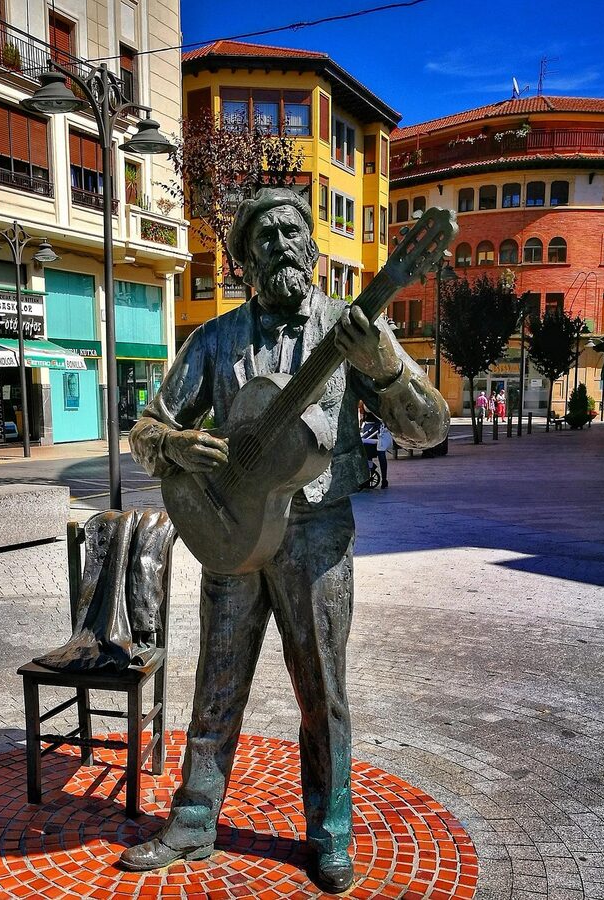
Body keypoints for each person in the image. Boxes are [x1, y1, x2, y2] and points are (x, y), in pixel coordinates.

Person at [122, 187, 449, 894]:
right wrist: (177, 444)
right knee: (216, 682)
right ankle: (194, 818)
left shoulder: (351, 327)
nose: (280, 244)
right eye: (264, 236)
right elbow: (145, 429)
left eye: (292, 231)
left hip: (317, 536)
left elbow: (430, 426)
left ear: (314, 246)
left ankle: (330, 830)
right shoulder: (214, 341)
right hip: (231, 532)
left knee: (322, 692)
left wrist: (387, 368)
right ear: (243, 261)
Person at [359, 401, 390, 489]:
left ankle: (370, 475)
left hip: (372, 427)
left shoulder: (364, 402)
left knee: (368, 453)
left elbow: (363, 415)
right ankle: (383, 479)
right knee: (381, 454)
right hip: (379, 427)